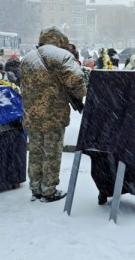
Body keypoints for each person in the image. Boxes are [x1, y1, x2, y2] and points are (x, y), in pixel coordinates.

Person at [20, 26, 87, 202]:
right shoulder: (61, 56)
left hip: (31, 114)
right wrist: (83, 91)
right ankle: (49, 190)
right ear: (59, 40)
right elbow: (76, 80)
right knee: (51, 152)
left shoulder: (27, 58)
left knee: (35, 151)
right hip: (53, 114)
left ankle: (35, 188)